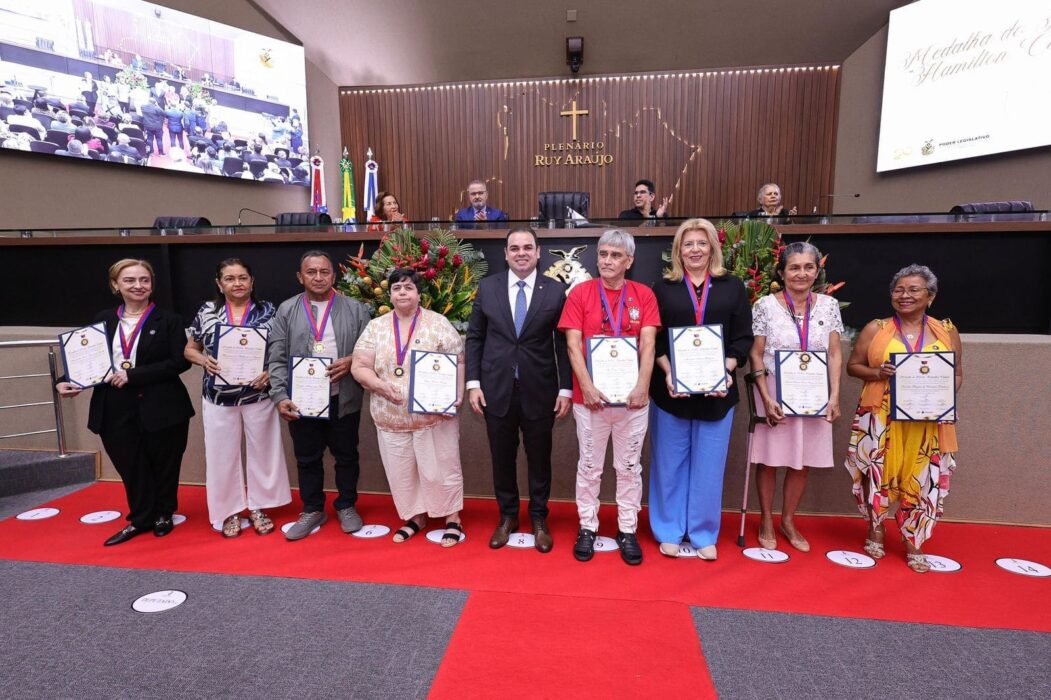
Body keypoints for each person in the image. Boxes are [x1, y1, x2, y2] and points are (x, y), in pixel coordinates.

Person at [55, 259, 195, 546]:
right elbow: (86, 358)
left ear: (151, 285)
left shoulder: (169, 320)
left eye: (144, 280)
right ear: (116, 285)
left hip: (162, 405)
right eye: (130, 280)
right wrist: (63, 379)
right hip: (114, 406)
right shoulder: (103, 319)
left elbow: (179, 363)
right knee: (130, 465)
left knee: (165, 463)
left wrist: (134, 375)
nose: (138, 286)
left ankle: (163, 514)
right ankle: (141, 518)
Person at [845, 264, 963, 573]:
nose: (904, 295)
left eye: (913, 290)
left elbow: (958, 373)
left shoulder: (947, 330)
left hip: (928, 422)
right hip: (883, 418)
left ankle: (915, 539)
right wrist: (876, 372)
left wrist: (941, 395)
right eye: (898, 290)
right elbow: (853, 366)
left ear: (930, 296)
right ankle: (876, 527)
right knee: (878, 472)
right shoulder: (877, 328)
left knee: (925, 477)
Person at [649, 218, 753, 561]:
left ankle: (703, 531)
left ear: (713, 248)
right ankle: (668, 529)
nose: (695, 250)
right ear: (678, 250)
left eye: (701, 243)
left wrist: (725, 371)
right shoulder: (662, 288)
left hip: (717, 392)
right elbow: (654, 339)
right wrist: (667, 372)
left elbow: (742, 337)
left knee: (709, 464)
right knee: (669, 462)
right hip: (670, 391)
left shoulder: (732, 286)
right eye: (688, 244)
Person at [466, 227, 572, 553]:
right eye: (515, 248)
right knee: (502, 458)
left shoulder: (555, 291)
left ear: (539, 252)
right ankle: (508, 516)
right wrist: (473, 385)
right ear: (506, 253)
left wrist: (566, 389)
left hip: (540, 390)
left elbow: (564, 344)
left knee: (539, 459)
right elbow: (475, 339)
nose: (521, 253)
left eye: (528, 247)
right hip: (496, 389)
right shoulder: (488, 287)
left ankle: (539, 518)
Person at [558, 229, 661, 565]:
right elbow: (573, 345)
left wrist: (642, 385)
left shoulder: (643, 295)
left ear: (629, 261)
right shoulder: (580, 293)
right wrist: (585, 386)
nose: (607, 261)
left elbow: (649, 344)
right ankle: (588, 526)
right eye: (603, 254)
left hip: (632, 399)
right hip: (591, 400)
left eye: (616, 255)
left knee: (629, 467)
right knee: (589, 467)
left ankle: (627, 529)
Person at [351, 269, 466, 547]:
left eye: (408, 288)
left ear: (418, 294)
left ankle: (452, 517)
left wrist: (457, 395)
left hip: (433, 415)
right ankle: (416, 516)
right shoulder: (376, 327)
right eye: (396, 288)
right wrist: (379, 385)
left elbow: (459, 361)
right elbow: (359, 366)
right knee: (401, 470)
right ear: (389, 295)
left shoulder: (438, 323)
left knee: (440, 468)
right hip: (391, 416)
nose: (402, 292)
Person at [268, 250, 371, 540]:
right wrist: (279, 396)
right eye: (311, 272)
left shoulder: (356, 309)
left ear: (333, 275)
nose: (318, 277)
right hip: (302, 399)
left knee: (347, 456)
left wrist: (351, 360)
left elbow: (370, 352)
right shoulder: (287, 310)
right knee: (307, 458)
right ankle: (312, 508)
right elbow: (276, 358)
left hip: (343, 397)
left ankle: (347, 505)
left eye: (324, 272)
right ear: (300, 277)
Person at [185, 258, 291, 538]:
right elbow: (189, 349)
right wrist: (203, 360)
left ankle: (259, 506)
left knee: (264, 452)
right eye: (229, 279)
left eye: (242, 277)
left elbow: (282, 350)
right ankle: (229, 510)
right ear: (219, 284)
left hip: (259, 394)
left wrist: (269, 372)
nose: (237, 283)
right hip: (218, 397)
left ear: (252, 281)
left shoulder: (269, 310)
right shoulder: (207, 311)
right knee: (221, 456)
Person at [747, 242, 843, 552]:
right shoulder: (765, 305)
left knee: (803, 461)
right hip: (774, 391)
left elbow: (834, 352)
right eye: (794, 267)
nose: (801, 273)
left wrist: (835, 396)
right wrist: (765, 396)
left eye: (808, 267)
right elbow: (756, 353)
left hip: (815, 394)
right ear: (782, 272)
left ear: (817, 271)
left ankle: (788, 520)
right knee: (771, 459)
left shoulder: (828, 306)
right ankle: (765, 518)